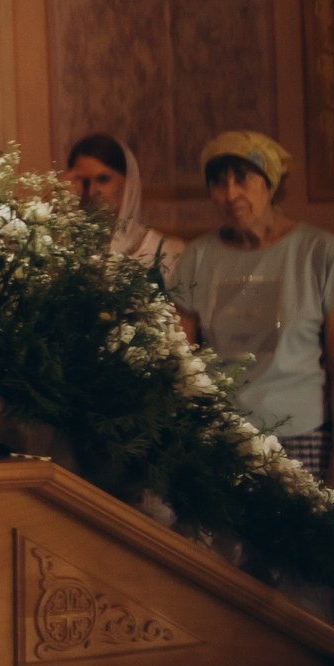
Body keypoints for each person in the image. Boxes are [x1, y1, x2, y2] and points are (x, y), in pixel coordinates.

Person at [170, 131, 334, 480]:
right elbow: (181, 362)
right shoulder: (198, 257)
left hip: (302, 436)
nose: (231, 194)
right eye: (218, 183)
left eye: (242, 179)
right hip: (223, 438)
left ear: (270, 183)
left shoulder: (318, 252)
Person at [63, 132, 182, 276]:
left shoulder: (166, 253)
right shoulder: (64, 251)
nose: (92, 191)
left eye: (103, 179)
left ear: (128, 183)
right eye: (84, 181)